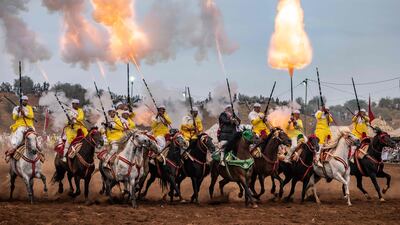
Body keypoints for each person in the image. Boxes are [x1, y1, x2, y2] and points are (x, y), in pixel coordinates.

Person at [7, 96, 35, 162]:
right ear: (21, 101)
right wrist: (18, 112)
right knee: (19, 138)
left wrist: (24, 113)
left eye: (26, 100)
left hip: (30, 126)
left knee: (35, 137)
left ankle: (38, 150)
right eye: (24, 100)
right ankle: (13, 150)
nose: (25, 101)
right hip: (21, 126)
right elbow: (14, 118)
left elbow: (31, 116)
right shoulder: (16, 108)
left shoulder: (29, 108)